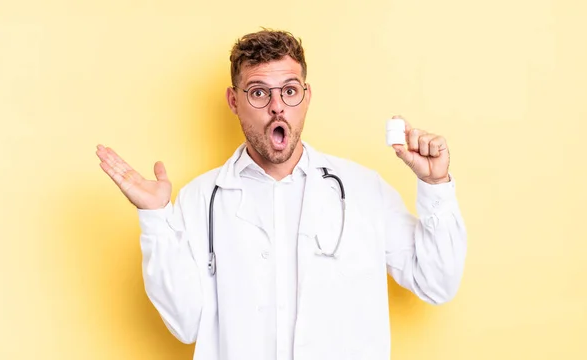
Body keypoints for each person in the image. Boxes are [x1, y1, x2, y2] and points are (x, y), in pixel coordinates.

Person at [95, 29, 467, 360]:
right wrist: (156, 218)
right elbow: (185, 324)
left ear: (306, 97)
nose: (277, 106)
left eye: (289, 91)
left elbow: (437, 283)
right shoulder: (199, 201)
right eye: (259, 92)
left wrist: (436, 186)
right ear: (233, 101)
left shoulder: (363, 190)